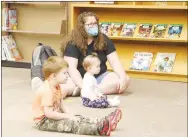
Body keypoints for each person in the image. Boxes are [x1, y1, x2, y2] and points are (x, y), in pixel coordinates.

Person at [32, 56, 122, 136]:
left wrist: (70, 115)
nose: (68, 76)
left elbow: (61, 105)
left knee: (77, 118)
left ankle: (104, 121)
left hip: (54, 115)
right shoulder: (47, 90)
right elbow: (49, 114)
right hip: (44, 121)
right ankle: (100, 129)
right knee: (71, 124)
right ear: (54, 76)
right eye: (65, 73)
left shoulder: (57, 86)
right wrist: (67, 116)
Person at [61, 11, 131, 98]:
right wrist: (82, 85)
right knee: (64, 88)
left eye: (95, 23)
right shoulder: (72, 43)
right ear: (81, 27)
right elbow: (71, 69)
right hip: (76, 78)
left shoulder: (104, 39)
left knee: (126, 79)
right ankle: (86, 89)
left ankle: (91, 90)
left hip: (98, 77)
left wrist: (123, 77)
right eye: (90, 24)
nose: (93, 26)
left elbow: (114, 61)